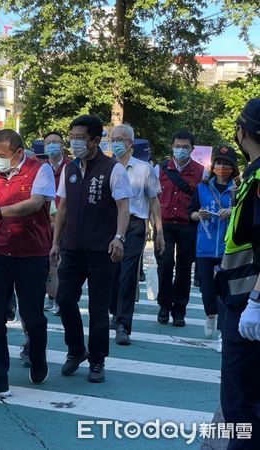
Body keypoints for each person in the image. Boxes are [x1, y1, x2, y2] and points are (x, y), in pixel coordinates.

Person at [0, 129, 55, 401]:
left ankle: (38, 356)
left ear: (19, 153)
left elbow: (34, 204)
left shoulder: (39, 170)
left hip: (32, 255)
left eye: (1, 155)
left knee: (32, 317)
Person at [50, 115, 132, 383]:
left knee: (98, 309)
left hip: (101, 250)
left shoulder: (113, 169)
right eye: (72, 137)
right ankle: (76, 350)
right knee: (63, 300)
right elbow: (61, 207)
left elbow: (123, 207)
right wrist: (55, 242)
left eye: (80, 138)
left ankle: (97, 360)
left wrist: (119, 237)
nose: (74, 143)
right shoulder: (69, 169)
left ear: (96, 140)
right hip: (71, 248)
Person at [218, 98, 260, 448]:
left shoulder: (259, 176)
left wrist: (257, 301)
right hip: (243, 297)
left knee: (239, 404)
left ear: (242, 131)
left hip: (248, 299)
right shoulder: (252, 174)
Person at [108, 124, 164, 346]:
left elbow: (154, 201)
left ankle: (123, 324)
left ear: (130, 143)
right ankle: (114, 312)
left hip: (134, 225)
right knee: (110, 273)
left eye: (121, 139)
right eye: (113, 140)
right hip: (108, 225)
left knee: (128, 275)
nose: (117, 144)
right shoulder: (106, 167)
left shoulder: (144, 169)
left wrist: (159, 231)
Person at [190, 145, 238, 350]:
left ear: (233, 167)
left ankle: (222, 334)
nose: (222, 167)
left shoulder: (238, 188)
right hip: (205, 248)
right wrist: (199, 214)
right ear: (213, 165)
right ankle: (210, 314)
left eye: (227, 164)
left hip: (229, 249)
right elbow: (190, 214)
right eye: (218, 163)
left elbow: (244, 214)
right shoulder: (201, 188)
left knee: (225, 293)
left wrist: (232, 210)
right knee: (208, 292)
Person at [155, 131, 205, 326]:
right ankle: (164, 306)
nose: (181, 150)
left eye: (185, 147)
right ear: (172, 147)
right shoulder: (159, 169)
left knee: (184, 269)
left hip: (189, 225)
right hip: (165, 224)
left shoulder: (201, 172)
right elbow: (152, 198)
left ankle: (179, 310)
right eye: (178, 146)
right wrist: (153, 224)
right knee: (165, 265)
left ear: (192, 149)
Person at [43, 131, 70, 312]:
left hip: (66, 223)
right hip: (44, 224)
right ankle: (50, 295)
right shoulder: (41, 168)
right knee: (46, 262)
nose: (52, 145)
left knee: (64, 263)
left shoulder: (72, 167)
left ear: (62, 146)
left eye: (56, 142)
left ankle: (62, 298)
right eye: (48, 142)